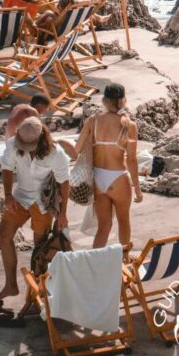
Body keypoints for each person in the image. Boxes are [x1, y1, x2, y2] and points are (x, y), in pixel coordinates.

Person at [0, 118, 70, 305]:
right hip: (20, 197)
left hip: (43, 201)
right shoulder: (12, 144)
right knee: (3, 236)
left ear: (41, 138)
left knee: (40, 248)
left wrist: (63, 214)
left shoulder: (56, 153)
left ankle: (37, 295)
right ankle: (11, 285)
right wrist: (8, 195)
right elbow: (7, 168)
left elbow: (65, 183)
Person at [73, 83, 141, 250]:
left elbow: (77, 149)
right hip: (117, 177)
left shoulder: (93, 120)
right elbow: (131, 160)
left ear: (104, 100)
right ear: (123, 100)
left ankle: (95, 263)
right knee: (123, 221)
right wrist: (138, 188)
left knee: (104, 226)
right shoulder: (129, 125)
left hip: (97, 179)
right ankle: (124, 259)